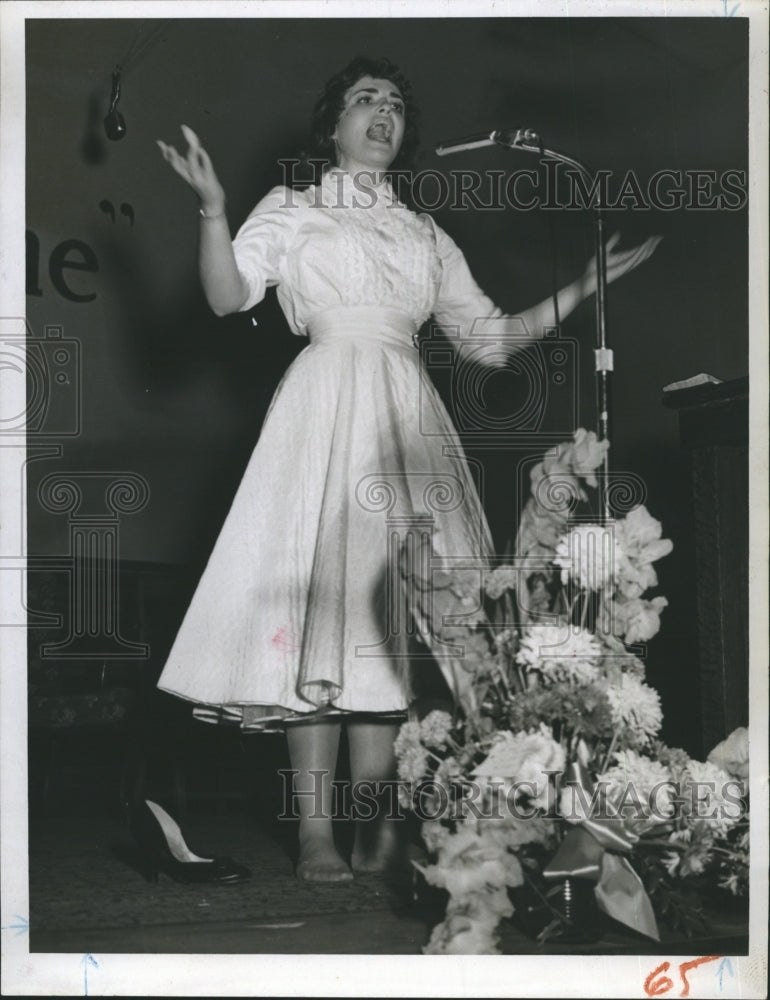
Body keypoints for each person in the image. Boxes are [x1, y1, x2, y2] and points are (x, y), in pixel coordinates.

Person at [156, 56, 660, 882]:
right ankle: (315, 831)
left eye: (394, 103)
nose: (382, 112)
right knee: (320, 615)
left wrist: (580, 287)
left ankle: (376, 828)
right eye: (364, 100)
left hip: (408, 423)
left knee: (395, 624)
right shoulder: (295, 207)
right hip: (322, 413)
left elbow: (490, 340)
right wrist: (213, 210)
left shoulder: (425, 234)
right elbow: (226, 294)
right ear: (333, 126)